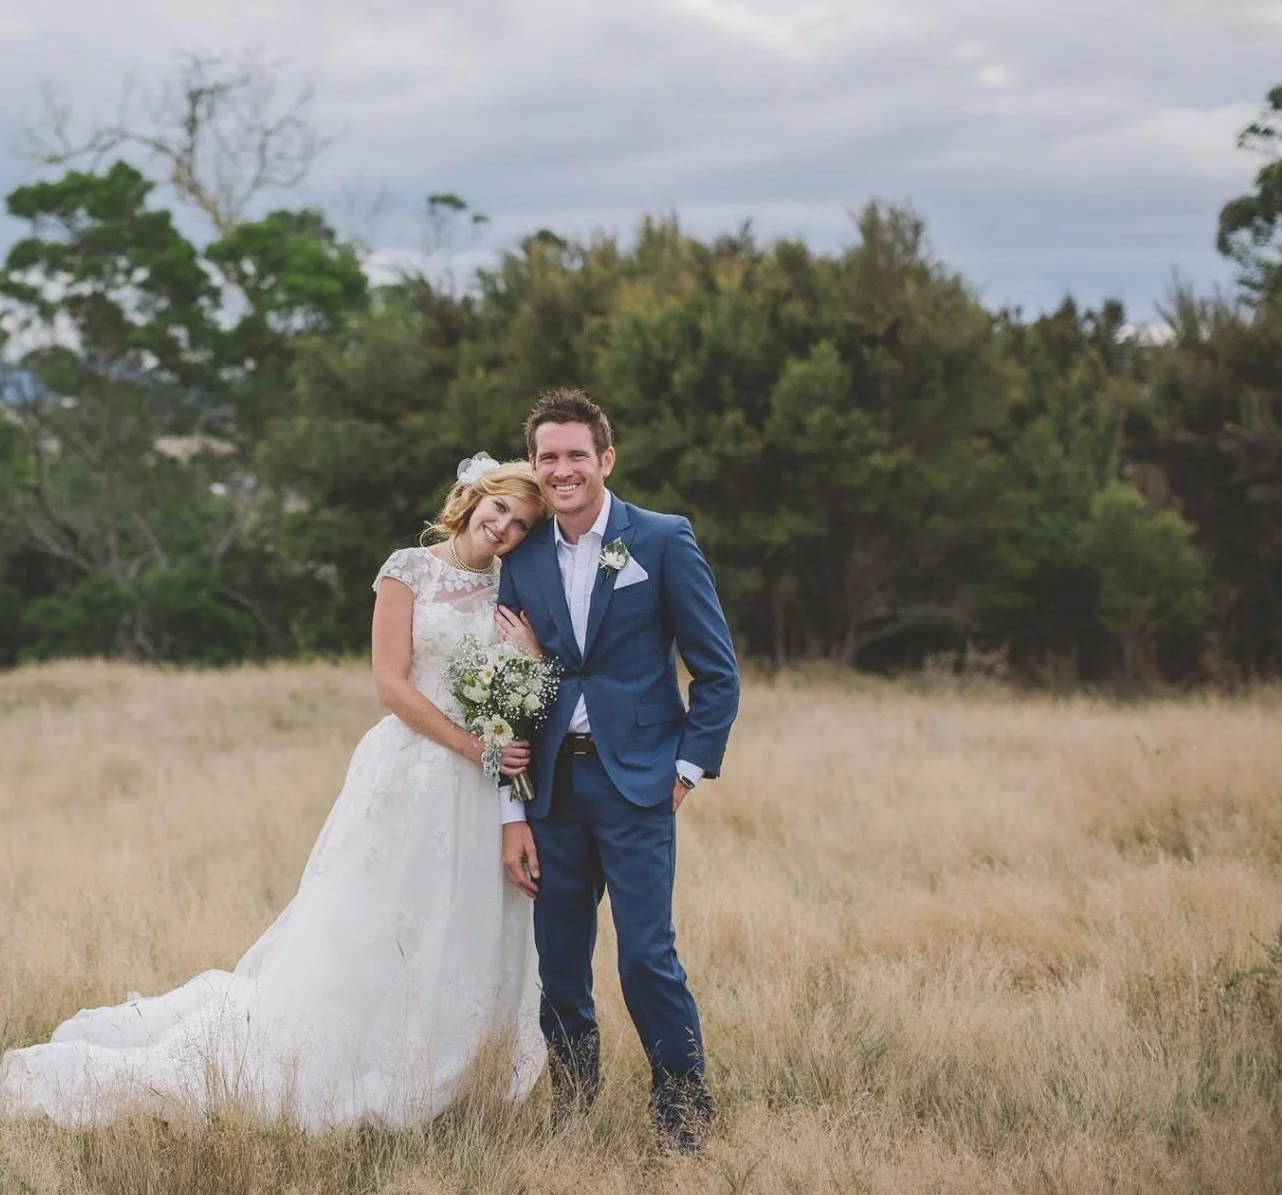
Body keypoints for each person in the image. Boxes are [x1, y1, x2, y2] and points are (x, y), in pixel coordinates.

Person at [1, 458, 549, 1130]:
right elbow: (390, 684)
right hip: (412, 770)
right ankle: (339, 1054)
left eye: (521, 524)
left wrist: (529, 662)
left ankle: (446, 1072)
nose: (504, 528)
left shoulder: (509, 585)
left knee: (459, 919)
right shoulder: (408, 568)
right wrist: (471, 747)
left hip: (479, 787)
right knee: (377, 919)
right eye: (499, 510)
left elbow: (515, 686)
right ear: (474, 499)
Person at [493, 389, 741, 1153]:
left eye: (575, 455)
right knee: (560, 963)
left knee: (644, 955)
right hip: (551, 789)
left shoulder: (661, 539)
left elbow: (717, 671)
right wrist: (511, 811)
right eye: (547, 457)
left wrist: (687, 769)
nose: (561, 470)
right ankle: (573, 1110)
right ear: (534, 467)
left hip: (638, 784)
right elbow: (506, 686)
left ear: (605, 458)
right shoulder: (524, 554)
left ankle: (682, 1114)